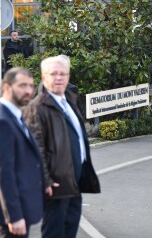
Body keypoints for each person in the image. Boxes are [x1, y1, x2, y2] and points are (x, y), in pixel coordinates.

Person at [24, 55, 100, 238]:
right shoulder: (38, 108)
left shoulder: (68, 100)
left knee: (69, 229)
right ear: (44, 77)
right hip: (55, 185)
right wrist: (45, 180)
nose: (59, 78)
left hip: (73, 180)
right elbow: (34, 149)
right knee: (54, 232)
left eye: (63, 74)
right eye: (54, 74)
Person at [0, 67, 44, 238]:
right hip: (10, 217)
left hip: (22, 207)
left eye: (31, 86)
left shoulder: (15, 115)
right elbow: (4, 173)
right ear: (6, 87)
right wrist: (14, 216)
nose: (28, 91)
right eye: (22, 85)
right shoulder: (3, 121)